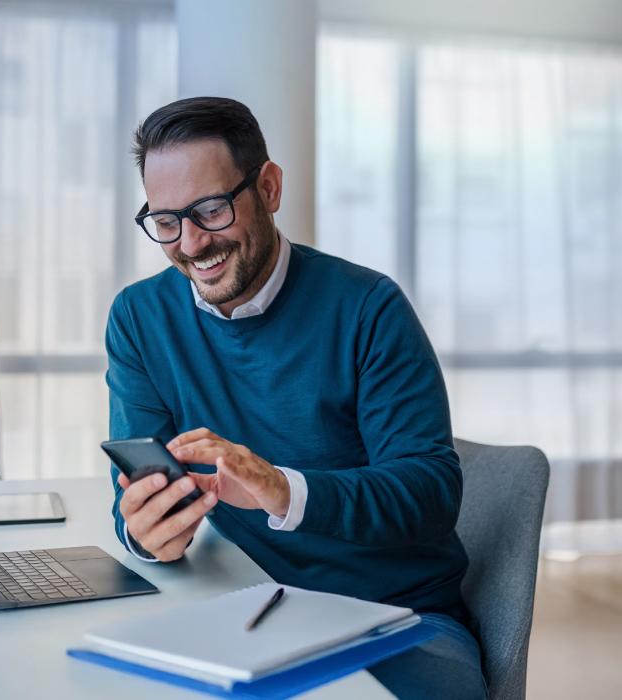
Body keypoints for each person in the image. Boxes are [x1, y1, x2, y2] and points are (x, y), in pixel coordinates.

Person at [106, 96, 484, 699]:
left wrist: (281, 488)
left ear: (269, 187)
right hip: (241, 608)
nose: (192, 243)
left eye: (210, 209)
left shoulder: (368, 308)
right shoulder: (138, 318)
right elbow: (138, 484)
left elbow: (431, 493)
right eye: (167, 220)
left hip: (396, 621)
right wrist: (146, 535)